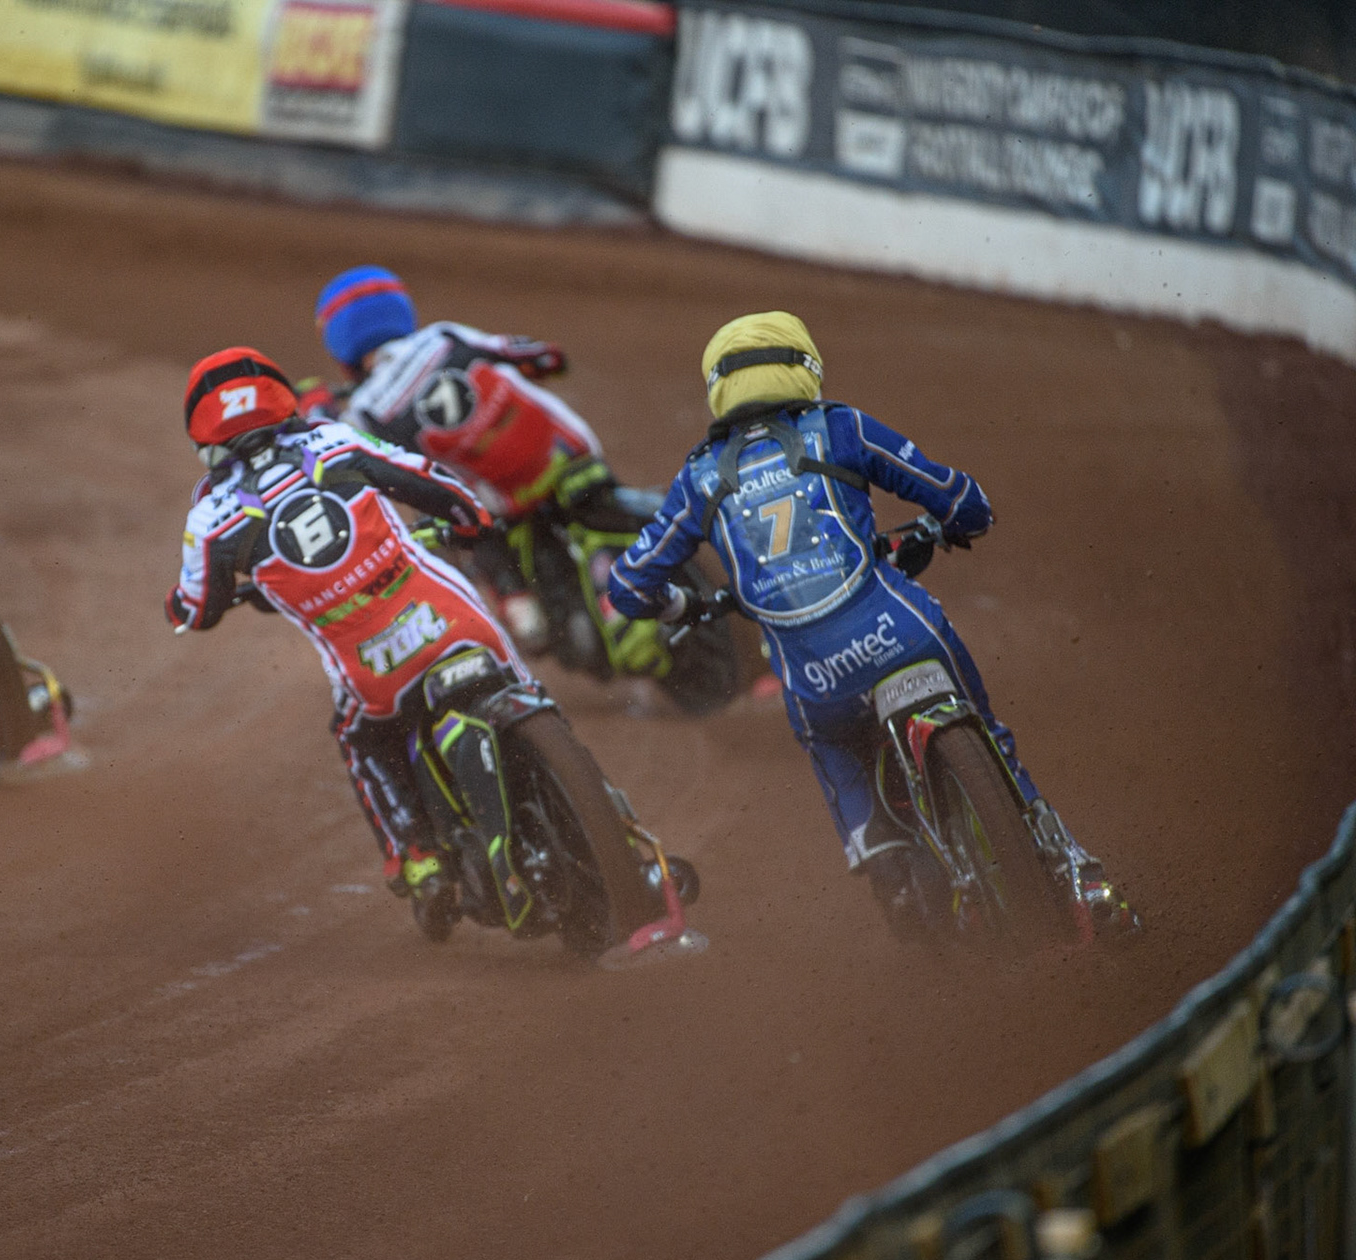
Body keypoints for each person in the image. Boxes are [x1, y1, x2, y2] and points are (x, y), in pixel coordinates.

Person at [605, 310, 1130, 930]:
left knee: (831, 745)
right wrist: (964, 519)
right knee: (989, 733)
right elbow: (956, 497)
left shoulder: (698, 478)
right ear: (805, 370)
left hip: (815, 676)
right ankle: (1078, 878)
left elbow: (628, 586)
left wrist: (685, 606)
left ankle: (886, 865)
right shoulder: (842, 427)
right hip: (900, 633)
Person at [165, 345, 531, 910]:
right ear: (278, 396)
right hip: (446, 616)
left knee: (360, 738)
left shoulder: (210, 518)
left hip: (371, 669)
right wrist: (472, 521)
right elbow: (430, 482)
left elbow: (198, 609)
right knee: (517, 677)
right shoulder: (333, 440)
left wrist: (183, 605)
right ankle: (599, 797)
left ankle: (417, 854)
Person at [309, 265, 654, 652]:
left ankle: (520, 609)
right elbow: (537, 356)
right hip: (569, 456)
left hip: (503, 505)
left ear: (339, 341)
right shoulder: (445, 336)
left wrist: (319, 412)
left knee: (459, 527)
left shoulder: (366, 408)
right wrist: (547, 360)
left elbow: (340, 453)